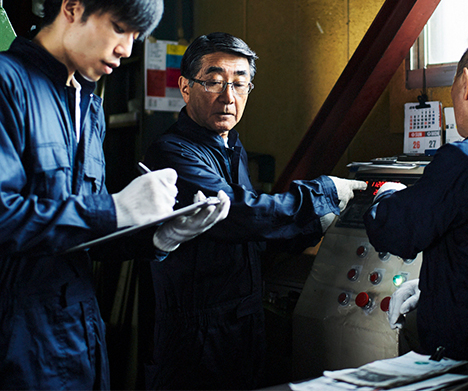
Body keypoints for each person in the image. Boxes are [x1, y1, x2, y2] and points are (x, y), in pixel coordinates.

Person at [0, 0, 229, 390]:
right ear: (72, 8)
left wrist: (158, 235)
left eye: (136, 36)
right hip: (11, 351)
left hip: (82, 342)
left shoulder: (87, 105)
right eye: (120, 28)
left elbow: (81, 237)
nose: (127, 49)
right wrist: (115, 210)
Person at [142, 32, 366, 390]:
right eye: (214, 82)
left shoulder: (231, 148)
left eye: (240, 83)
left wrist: (312, 228)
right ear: (185, 87)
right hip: (197, 334)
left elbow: (251, 234)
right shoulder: (172, 153)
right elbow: (235, 214)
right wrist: (320, 194)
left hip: (244, 324)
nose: (229, 97)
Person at [363, 48, 468, 366]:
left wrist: (385, 194)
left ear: (466, 82)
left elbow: (396, 231)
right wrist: (430, 285)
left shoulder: (464, 159)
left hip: (464, 354)